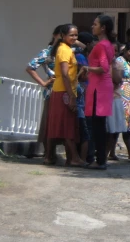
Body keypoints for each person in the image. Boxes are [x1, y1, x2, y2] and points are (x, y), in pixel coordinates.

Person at [46, 24, 83, 167]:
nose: (74, 38)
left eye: (76, 35)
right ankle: (73, 157)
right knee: (67, 127)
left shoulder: (65, 48)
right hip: (63, 91)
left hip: (64, 90)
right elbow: (65, 75)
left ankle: (57, 157)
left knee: (61, 125)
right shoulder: (63, 50)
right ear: (63, 35)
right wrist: (71, 96)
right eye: (71, 35)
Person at [84, 16, 117, 170]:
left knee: (97, 125)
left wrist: (86, 68)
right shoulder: (108, 45)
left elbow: (103, 68)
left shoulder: (101, 46)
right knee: (99, 125)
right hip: (104, 86)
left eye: (95, 24)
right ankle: (100, 158)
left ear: (103, 27)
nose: (93, 26)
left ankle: (100, 159)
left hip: (99, 87)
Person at [26, 25, 62, 162]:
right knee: (49, 122)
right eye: (62, 35)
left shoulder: (68, 51)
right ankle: (48, 154)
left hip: (65, 91)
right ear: (55, 35)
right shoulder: (47, 52)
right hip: (51, 91)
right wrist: (43, 82)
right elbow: (30, 67)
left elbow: (84, 47)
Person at [107, 43, 130, 162]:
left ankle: (111, 152)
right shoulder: (119, 61)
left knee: (120, 125)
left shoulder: (127, 62)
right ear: (125, 50)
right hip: (121, 97)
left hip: (128, 97)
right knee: (124, 126)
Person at [75, 32, 95, 164]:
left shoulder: (81, 56)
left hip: (85, 98)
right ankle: (84, 159)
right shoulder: (80, 57)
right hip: (82, 99)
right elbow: (83, 75)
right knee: (86, 132)